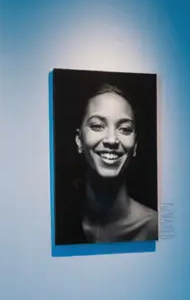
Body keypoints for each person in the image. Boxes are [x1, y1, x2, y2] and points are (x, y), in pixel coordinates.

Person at [60, 84, 158, 243]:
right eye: (97, 126)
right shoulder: (60, 222)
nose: (112, 140)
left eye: (125, 129)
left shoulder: (155, 228)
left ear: (135, 146)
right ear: (79, 140)